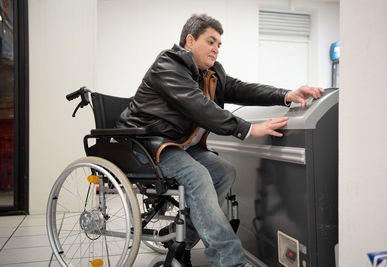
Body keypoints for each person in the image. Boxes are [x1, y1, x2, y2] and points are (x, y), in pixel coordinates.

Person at [117, 14, 323, 267]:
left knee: (224, 171)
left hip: (177, 145)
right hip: (148, 144)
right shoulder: (167, 65)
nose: (216, 49)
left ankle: (183, 240)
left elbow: (241, 88)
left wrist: (286, 95)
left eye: (219, 44)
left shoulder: (210, 72)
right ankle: (230, 261)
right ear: (190, 41)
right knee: (198, 176)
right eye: (211, 41)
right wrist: (247, 129)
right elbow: (199, 106)